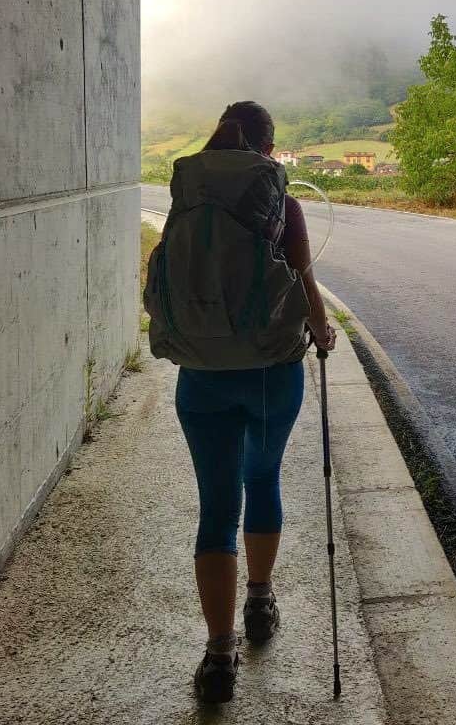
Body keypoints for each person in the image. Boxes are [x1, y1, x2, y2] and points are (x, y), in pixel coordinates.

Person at [174, 100, 337, 703]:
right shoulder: (281, 202)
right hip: (271, 372)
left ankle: (219, 657)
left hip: (201, 373)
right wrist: (321, 332)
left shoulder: (189, 195)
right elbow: (303, 282)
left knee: (216, 507)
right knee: (262, 478)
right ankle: (261, 602)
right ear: (269, 150)